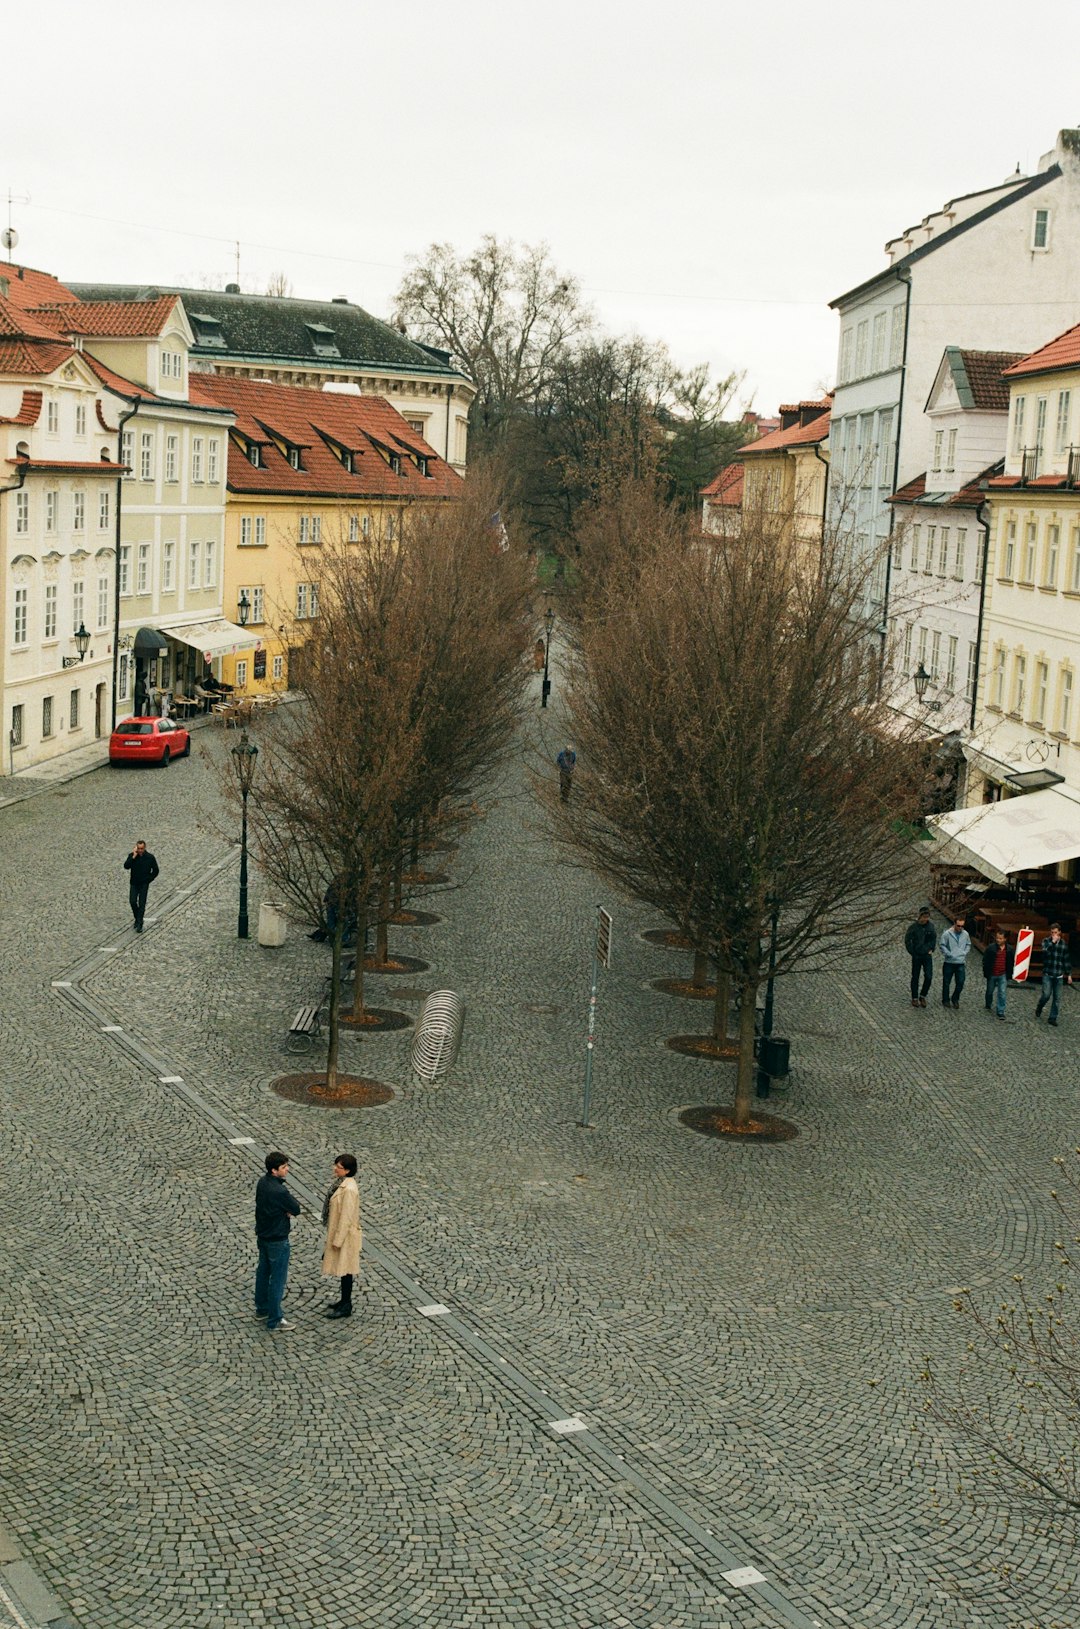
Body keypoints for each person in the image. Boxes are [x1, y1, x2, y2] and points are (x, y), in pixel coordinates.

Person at [255, 1152, 301, 1333]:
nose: (287, 1169)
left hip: (264, 1235)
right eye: (283, 1167)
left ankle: (262, 1309)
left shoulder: (262, 1182)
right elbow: (296, 1208)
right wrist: (286, 1211)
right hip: (277, 1238)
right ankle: (275, 1318)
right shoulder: (280, 1191)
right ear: (274, 1170)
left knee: (263, 1273)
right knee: (277, 1279)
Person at [321, 1154, 362, 1320]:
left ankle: (346, 1304)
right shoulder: (341, 1184)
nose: (334, 1168)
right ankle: (344, 1301)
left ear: (347, 1170)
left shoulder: (349, 1190)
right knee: (344, 1270)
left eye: (338, 1166)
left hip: (345, 1236)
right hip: (340, 1233)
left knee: (346, 1270)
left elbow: (346, 1217)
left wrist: (337, 1241)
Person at [1035, 923, 1074, 1026]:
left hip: (1058, 975)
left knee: (1057, 998)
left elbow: (1066, 960)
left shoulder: (1063, 944)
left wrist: (1069, 974)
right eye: (1052, 933)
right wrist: (1052, 943)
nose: (1054, 935)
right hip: (1048, 973)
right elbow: (1045, 954)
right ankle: (1040, 1006)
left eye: (1055, 933)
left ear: (1059, 932)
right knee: (1046, 995)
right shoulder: (1046, 941)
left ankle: (1052, 1018)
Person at [123, 840, 159, 933]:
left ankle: (139, 924)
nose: (140, 850)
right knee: (132, 901)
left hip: (144, 884)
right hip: (134, 883)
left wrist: (149, 879)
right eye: (138, 849)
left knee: (142, 904)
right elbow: (126, 866)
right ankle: (137, 918)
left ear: (145, 848)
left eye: (142, 849)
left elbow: (155, 870)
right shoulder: (132, 856)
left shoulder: (150, 857)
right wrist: (133, 857)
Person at [904, 907, 936, 1008]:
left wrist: (931, 949)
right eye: (924, 917)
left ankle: (923, 995)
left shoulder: (931, 927)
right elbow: (908, 940)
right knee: (915, 976)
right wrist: (912, 952)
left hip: (927, 955)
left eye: (927, 917)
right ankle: (914, 997)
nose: (925, 919)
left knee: (929, 976)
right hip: (917, 955)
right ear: (920, 916)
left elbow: (933, 939)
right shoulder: (913, 927)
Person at [939, 915, 971, 1009]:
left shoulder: (965, 934)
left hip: (960, 962)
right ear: (954, 924)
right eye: (958, 926)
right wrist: (948, 954)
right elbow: (942, 945)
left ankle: (955, 998)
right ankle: (945, 1000)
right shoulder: (947, 934)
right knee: (946, 982)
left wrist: (964, 952)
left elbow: (968, 944)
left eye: (962, 926)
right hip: (949, 962)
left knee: (960, 982)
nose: (960, 928)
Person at [982, 929, 1014, 1020]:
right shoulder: (991, 948)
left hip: (1003, 974)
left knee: (1002, 993)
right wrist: (986, 971)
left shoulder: (1010, 950)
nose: (998, 940)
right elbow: (985, 960)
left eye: (1000, 938)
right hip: (992, 973)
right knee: (990, 991)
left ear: (1005, 939)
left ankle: (1000, 1011)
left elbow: (1011, 962)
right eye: (997, 938)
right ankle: (988, 1003)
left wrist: (1009, 974)